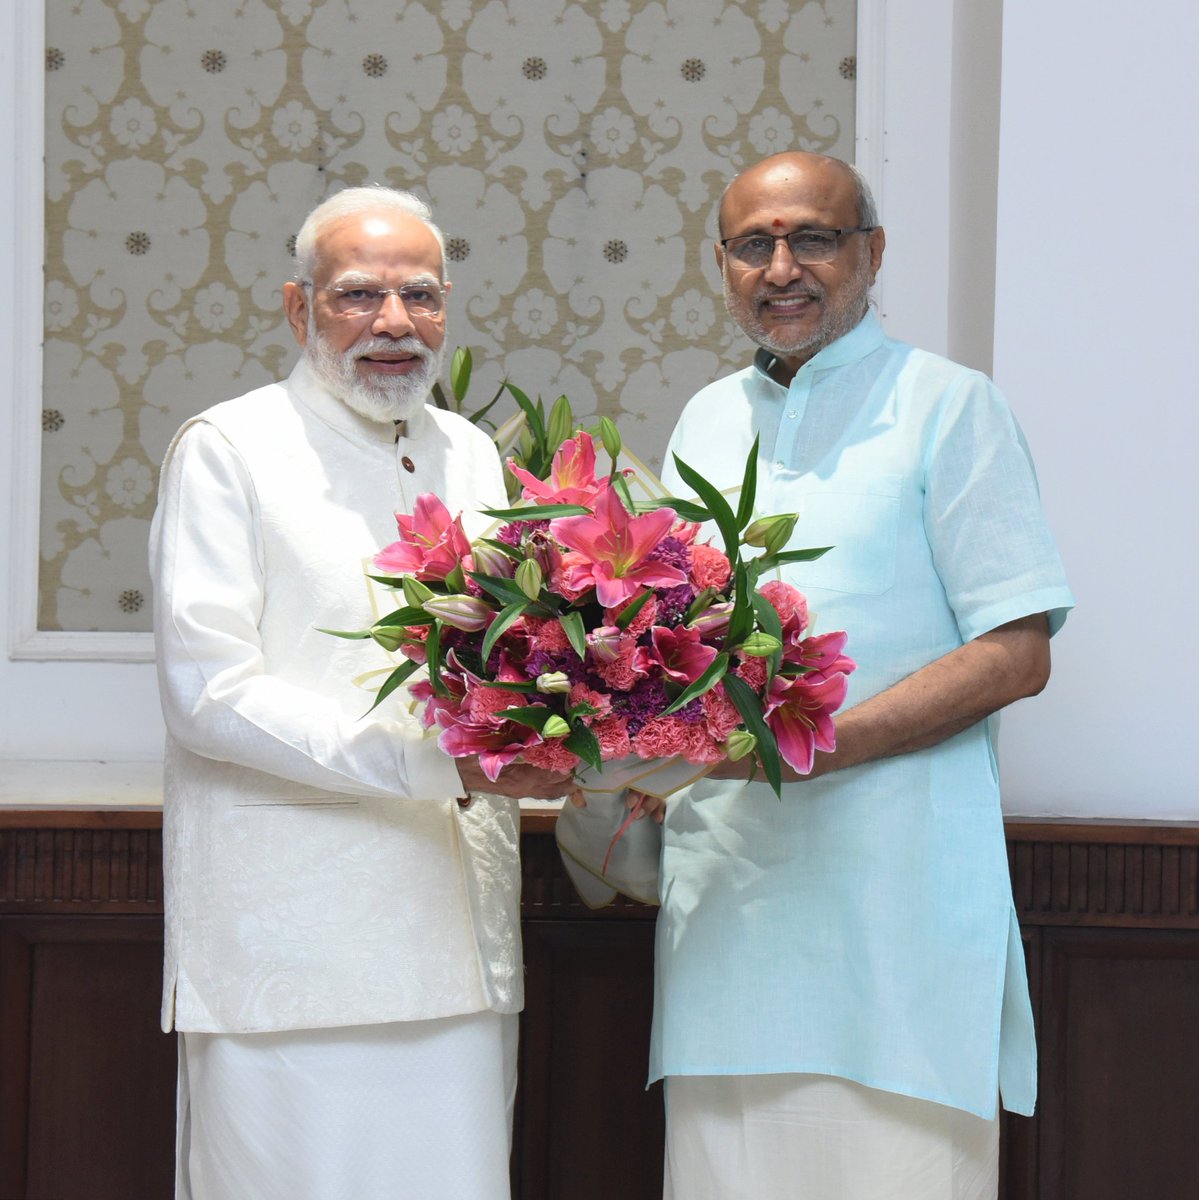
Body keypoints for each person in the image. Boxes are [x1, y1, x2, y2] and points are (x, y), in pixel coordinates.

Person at [642, 152, 1075, 1199]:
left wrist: (810, 746)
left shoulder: (949, 408)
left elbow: (1016, 654)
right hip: (728, 920)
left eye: (811, 238)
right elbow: (664, 646)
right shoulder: (702, 419)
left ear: (869, 254)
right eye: (753, 245)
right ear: (722, 265)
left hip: (897, 920)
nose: (780, 267)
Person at [149, 187, 570, 1200]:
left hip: (457, 938)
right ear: (299, 310)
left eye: (418, 296)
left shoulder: (471, 455)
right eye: (356, 296)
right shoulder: (227, 448)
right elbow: (208, 693)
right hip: (289, 946)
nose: (392, 322)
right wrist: (437, 762)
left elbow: (505, 665)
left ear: (447, 307)